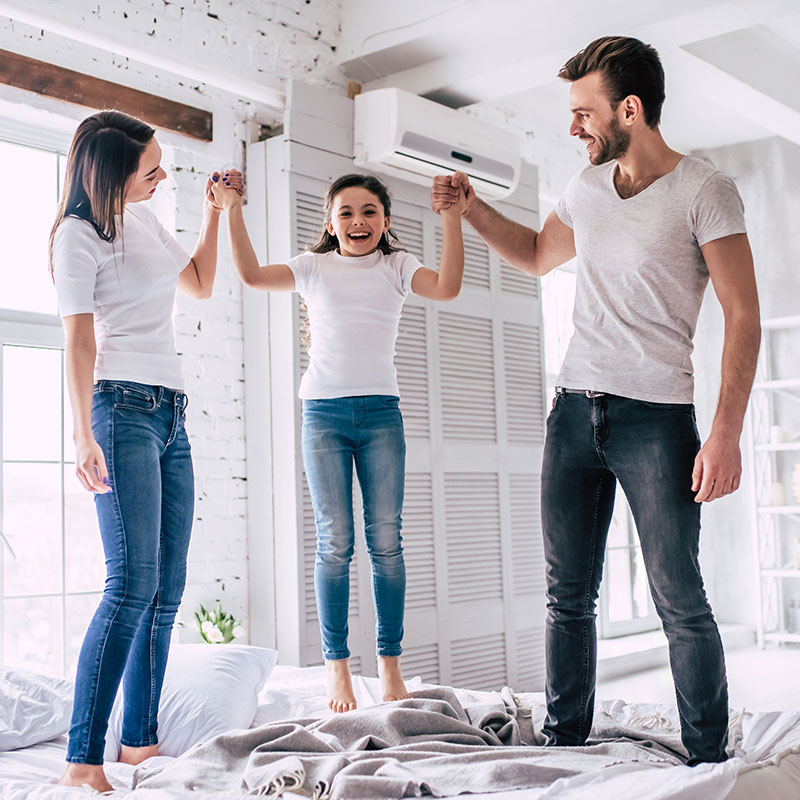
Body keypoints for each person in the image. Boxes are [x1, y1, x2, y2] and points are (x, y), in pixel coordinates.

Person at [431, 36, 760, 765]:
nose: (574, 125)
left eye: (584, 112)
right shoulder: (586, 188)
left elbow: (743, 315)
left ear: (630, 110)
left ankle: (708, 762)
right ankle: (565, 744)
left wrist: (725, 434)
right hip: (574, 414)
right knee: (567, 596)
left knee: (679, 598)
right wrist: (474, 209)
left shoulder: (705, 191)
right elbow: (537, 255)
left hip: (656, 419)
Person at [212, 172, 466, 712]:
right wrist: (232, 207)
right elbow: (252, 276)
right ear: (330, 223)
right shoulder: (313, 267)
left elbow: (447, 287)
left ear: (386, 221)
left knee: (387, 542)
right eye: (346, 212)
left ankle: (390, 664)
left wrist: (451, 218)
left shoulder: (397, 267)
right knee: (335, 542)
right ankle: (337, 668)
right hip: (323, 414)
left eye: (369, 211)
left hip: (381, 415)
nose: (358, 221)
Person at [50, 110, 238, 791]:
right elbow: (79, 340)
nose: (161, 178)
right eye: (150, 170)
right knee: (129, 585)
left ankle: (140, 745)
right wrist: (82, 433)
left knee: (165, 589)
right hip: (119, 410)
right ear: (110, 174)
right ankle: (82, 762)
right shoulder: (76, 236)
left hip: (170, 412)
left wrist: (215, 213)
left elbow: (200, 283)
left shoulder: (144, 218)